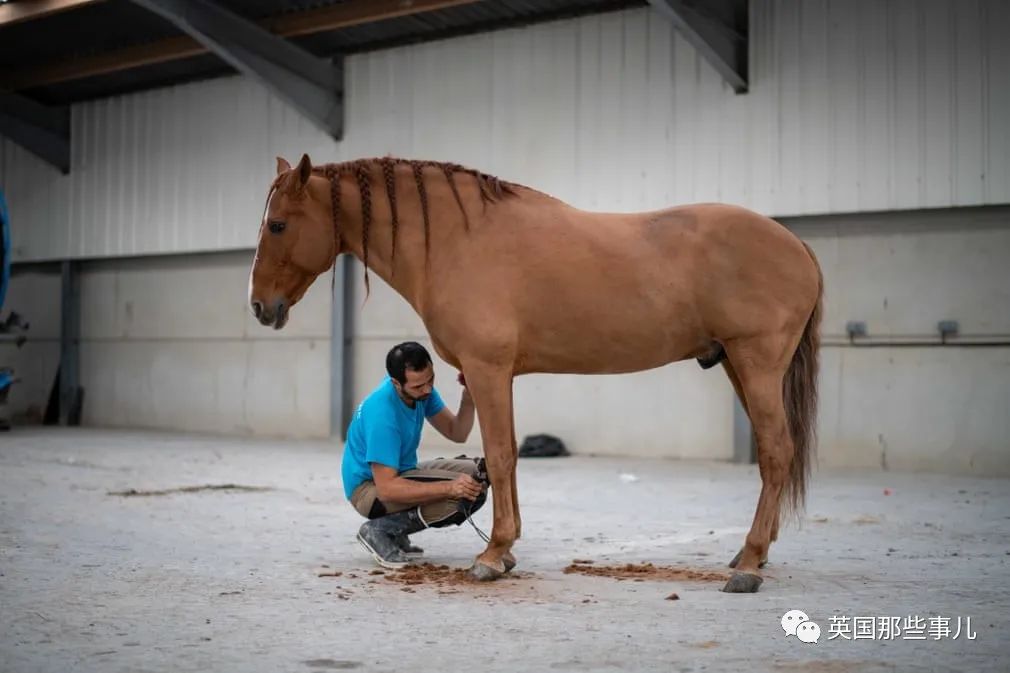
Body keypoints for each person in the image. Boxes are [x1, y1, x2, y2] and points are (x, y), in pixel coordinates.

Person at [341, 341, 487, 568]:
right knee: (467, 493)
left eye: (431, 380)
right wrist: (449, 487)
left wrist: (470, 395)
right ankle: (379, 530)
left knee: (478, 474)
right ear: (396, 383)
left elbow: (457, 432)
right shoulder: (382, 416)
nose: (427, 390)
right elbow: (387, 489)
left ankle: (394, 529)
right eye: (419, 386)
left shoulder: (420, 391)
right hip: (369, 491)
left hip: (400, 473)